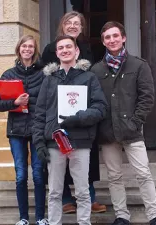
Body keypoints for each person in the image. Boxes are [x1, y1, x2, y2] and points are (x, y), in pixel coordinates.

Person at [90, 21, 156, 225]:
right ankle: (121, 218)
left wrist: (135, 121)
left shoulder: (138, 65)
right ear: (103, 41)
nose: (112, 40)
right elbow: (93, 100)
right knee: (114, 177)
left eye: (115, 36)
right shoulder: (96, 70)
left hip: (132, 131)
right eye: (107, 37)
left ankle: (155, 216)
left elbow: (147, 97)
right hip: (108, 132)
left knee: (143, 173)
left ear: (123, 38)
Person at [33, 35, 108, 225]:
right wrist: (39, 141)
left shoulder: (89, 78)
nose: (65, 50)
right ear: (57, 54)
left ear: (76, 52)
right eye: (61, 48)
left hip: (81, 141)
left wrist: (78, 118)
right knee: (55, 191)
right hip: (54, 142)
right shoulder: (49, 80)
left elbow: (100, 108)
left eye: (69, 47)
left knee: (83, 191)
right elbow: (39, 113)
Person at [41, 11, 107, 214]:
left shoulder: (88, 48)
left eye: (76, 23)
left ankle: (89, 196)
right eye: (69, 23)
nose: (72, 26)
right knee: (60, 159)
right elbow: (47, 79)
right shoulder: (51, 49)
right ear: (62, 25)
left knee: (86, 161)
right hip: (58, 118)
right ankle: (66, 199)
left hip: (83, 116)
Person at [0, 35, 49, 225]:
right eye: (24, 46)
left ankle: (41, 218)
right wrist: (14, 103)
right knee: (21, 175)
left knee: (39, 174)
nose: (27, 49)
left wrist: (29, 102)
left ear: (35, 50)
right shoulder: (8, 74)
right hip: (16, 130)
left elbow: (49, 101)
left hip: (37, 129)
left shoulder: (43, 74)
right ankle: (24, 218)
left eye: (31, 46)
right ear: (19, 49)